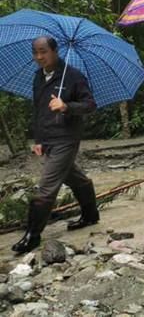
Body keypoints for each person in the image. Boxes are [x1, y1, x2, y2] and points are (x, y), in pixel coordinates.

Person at [12, 36, 99, 254]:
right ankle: (90, 214)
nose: (39, 57)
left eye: (43, 51)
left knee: (46, 187)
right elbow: (39, 110)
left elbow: (90, 105)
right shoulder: (38, 77)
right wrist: (38, 139)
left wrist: (66, 106)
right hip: (48, 138)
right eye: (36, 53)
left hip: (66, 137)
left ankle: (32, 235)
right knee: (72, 175)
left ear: (55, 51)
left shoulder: (74, 76)